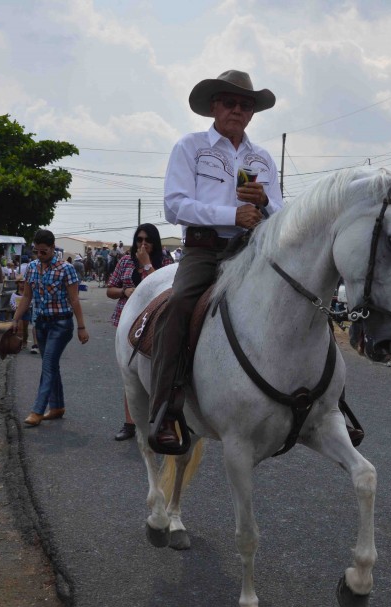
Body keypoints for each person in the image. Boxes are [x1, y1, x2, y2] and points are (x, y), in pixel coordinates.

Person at [148, 69, 283, 451]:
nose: (237, 109)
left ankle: (325, 400)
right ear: (214, 107)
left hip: (251, 249)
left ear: (253, 113)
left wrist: (264, 203)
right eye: (230, 102)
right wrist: (231, 215)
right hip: (204, 250)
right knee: (177, 306)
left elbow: (280, 210)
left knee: (299, 296)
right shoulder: (190, 147)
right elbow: (174, 206)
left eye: (245, 104)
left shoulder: (262, 158)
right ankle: (165, 409)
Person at [12, 229, 89, 427]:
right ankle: (57, 407)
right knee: (51, 365)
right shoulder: (31, 267)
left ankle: (37, 411)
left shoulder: (66, 269)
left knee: (47, 365)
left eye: (43, 251)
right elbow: (27, 297)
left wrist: (81, 327)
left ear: (53, 248)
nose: (39, 255)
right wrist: (15, 319)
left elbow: (74, 299)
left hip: (61, 325)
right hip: (41, 324)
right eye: (36, 251)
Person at [108, 223, 173, 441]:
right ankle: (130, 423)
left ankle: (159, 420)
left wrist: (146, 266)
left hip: (155, 323)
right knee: (129, 374)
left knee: (155, 372)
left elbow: (165, 290)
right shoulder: (125, 261)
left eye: (147, 240)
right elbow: (110, 289)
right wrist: (125, 291)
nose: (143, 244)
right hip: (127, 323)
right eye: (139, 240)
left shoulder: (165, 262)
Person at [9, 279, 32, 351]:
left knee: (25, 328)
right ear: (18, 284)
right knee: (19, 327)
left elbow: (31, 302)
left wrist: (28, 306)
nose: (22, 284)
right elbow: (11, 303)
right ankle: (18, 343)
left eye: (23, 283)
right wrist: (15, 307)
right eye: (20, 283)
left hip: (26, 312)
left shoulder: (28, 294)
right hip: (18, 312)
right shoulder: (14, 294)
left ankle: (25, 340)